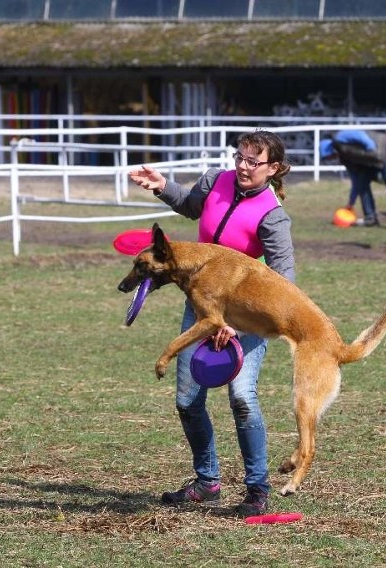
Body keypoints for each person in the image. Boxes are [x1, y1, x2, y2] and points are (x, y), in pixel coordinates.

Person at [128, 130, 295, 517]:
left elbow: (285, 279)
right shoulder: (215, 180)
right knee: (187, 401)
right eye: (240, 156)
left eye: (254, 161)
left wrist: (238, 324)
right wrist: (162, 186)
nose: (242, 166)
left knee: (242, 397)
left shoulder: (273, 215)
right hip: (202, 306)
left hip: (247, 315)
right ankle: (208, 482)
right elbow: (190, 206)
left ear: (273, 168)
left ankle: (257, 490)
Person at [320, 129, 386, 226]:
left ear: (331, 151)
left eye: (330, 157)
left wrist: (370, 147)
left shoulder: (340, 137)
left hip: (382, 146)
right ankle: (370, 218)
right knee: (361, 184)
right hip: (370, 157)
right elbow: (355, 181)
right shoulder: (346, 159)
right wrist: (351, 202)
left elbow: (359, 135)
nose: (332, 159)